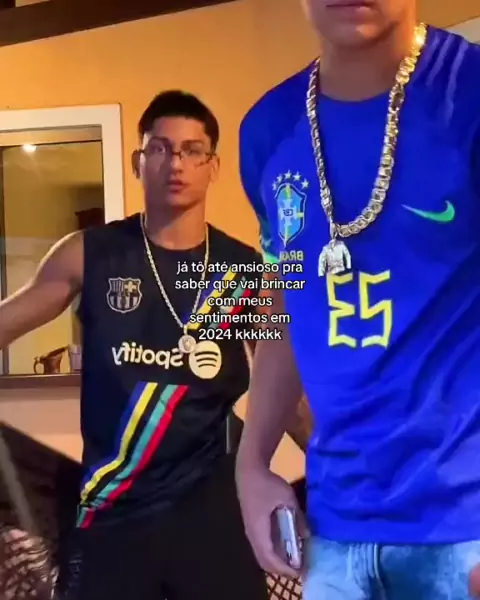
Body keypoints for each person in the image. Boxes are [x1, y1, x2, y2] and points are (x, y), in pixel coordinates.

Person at [236, 1, 480, 598]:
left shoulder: (467, 94)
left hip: (465, 532)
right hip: (335, 532)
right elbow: (288, 306)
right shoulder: (268, 129)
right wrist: (252, 462)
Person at [0, 90, 270, 600]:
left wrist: (341, 469)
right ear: (137, 162)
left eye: (192, 150)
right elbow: (10, 318)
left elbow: (284, 387)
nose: (176, 163)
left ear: (213, 166)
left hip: (211, 511)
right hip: (113, 511)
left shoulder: (243, 269)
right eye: (160, 148)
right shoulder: (90, 253)